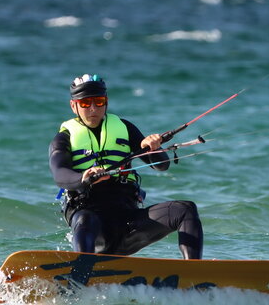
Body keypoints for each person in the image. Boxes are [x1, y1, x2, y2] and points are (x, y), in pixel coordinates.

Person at [49, 73, 203, 259]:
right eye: (85, 103)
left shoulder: (125, 128)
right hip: (92, 227)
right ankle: (81, 274)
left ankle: (192, 276)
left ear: (105, 102)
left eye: (98, 102)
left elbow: (162, 165)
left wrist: (155, 148)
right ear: (74, 106)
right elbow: (59, 174)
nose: (92, 108)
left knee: (185, 209)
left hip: (128, 223)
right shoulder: (64, 138)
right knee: (85, 219)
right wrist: (84, 177)